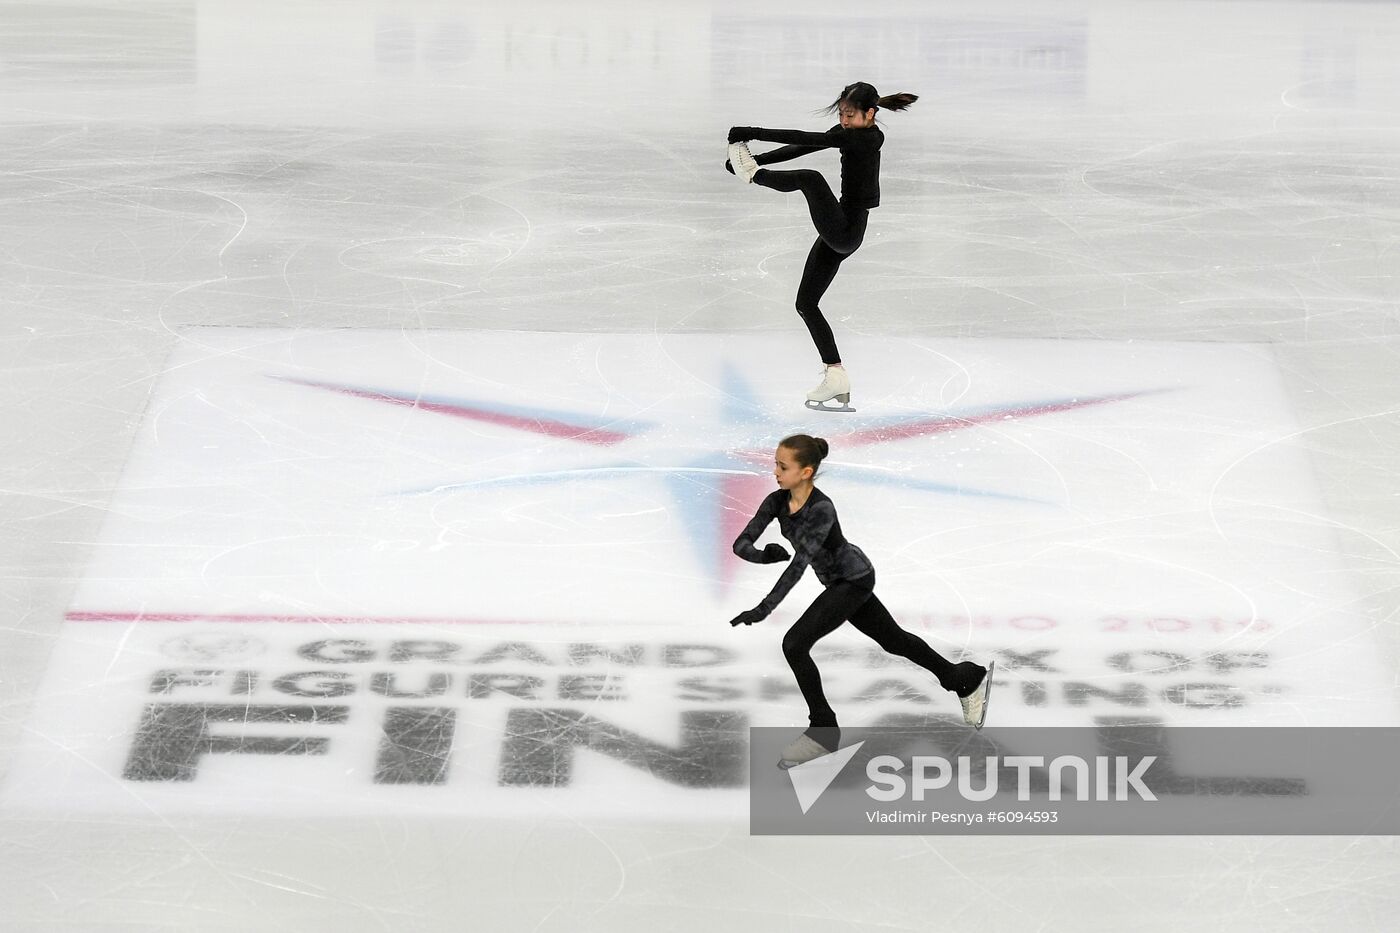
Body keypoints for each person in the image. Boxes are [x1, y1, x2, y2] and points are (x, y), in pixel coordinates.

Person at [729, 434, 993, 769]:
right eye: (775, 464)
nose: (775, 471)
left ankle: (824, 732)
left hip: (852, 579)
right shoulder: (776, 501)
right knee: (893, 640)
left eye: (783, 466)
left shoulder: (821, 509)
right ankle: (963, 678)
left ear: (806, 471)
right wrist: (765, 555)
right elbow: (742, 544)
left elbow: (798, 567)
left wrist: (763, 609)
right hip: (839, 580)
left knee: (795, 644)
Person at [725, 82, 918, 412]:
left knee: (810, 178)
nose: (843, 119)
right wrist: (757, 158)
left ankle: (753, 176)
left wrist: (752, 141)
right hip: (841, 228)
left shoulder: (866, 137)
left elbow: (808, 138)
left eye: (850, 114)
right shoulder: (851, 131)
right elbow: (804, 146)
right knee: (805, 303)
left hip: (846, 231)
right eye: (841, 113)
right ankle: (836, 375)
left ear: (870, 114)